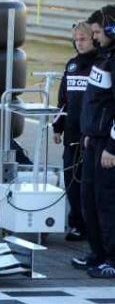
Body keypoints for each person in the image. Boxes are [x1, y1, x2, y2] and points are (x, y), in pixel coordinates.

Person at [72, 5, 115, 278]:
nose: (95, 37)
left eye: (98, 32)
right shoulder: (104, 57)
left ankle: (112, 258)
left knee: (107, 202)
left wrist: (112, 146)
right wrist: (88, 133)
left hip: (108, 146)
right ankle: (98, 252)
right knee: (89, 200)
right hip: (94, 141)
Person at [52, 21, 97, 242]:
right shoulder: (71, 66)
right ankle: (77, 223)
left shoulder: (102, 65)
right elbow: (63, 100)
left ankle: (93, 225)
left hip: (92, 136)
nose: (79, 43)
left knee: (89, 183)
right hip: (71, 134)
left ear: (94, 39)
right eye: (76, 39)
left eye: (83, 39)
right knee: (71, 179)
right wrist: (57, 127)